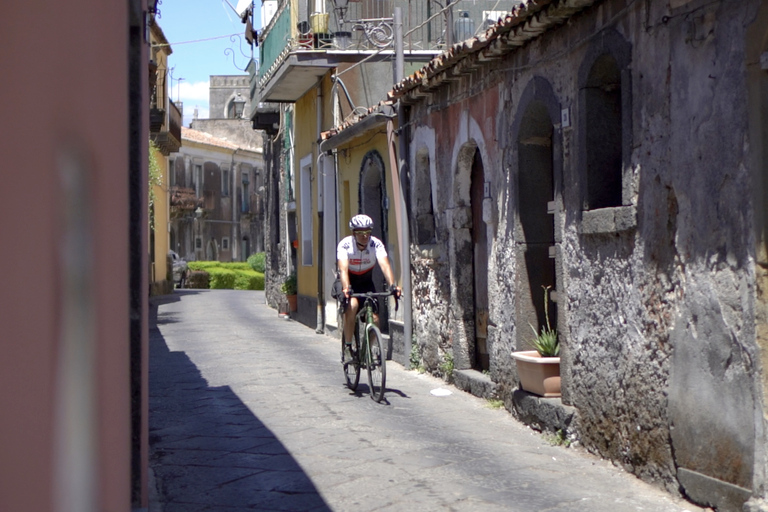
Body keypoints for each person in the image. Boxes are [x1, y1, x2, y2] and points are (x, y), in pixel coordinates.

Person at [337, 214, 401, 354]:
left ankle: (367, 352)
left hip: (366, 281)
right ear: (354, 233)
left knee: (376, 319)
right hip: (349, 280)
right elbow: (343, 269)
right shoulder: (345, 244)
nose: (364, 236)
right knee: (352, 306)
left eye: (367, 232)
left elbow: (385, 265)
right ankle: (348, 347)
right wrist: (347, 288)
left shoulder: (375, 244)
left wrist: (392, 285)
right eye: (360, 232)